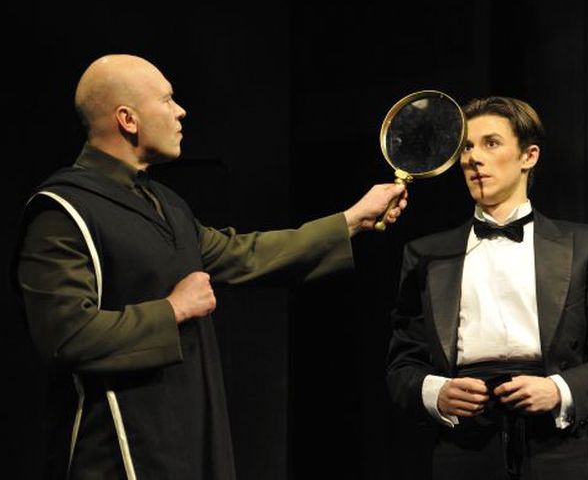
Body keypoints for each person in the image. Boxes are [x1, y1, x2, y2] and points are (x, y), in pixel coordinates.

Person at [12, 54, 407, 480]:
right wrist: (173, 309)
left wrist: (352, 220)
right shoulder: (61, 212)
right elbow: (67, 336)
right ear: (127, 119)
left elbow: (244, 253)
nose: (180, 111)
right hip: (114, 448)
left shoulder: (167, 205)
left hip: (185, 429)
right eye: (167, 99)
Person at [386, 96, 588, 480]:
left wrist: (560, 390)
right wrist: (434, 392)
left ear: (529, 156)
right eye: (466, 147)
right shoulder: (426, 255)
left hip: (556, 446)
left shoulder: (585, 245)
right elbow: (402, 366)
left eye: (491, 143)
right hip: (464, 448)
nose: (474, 158)